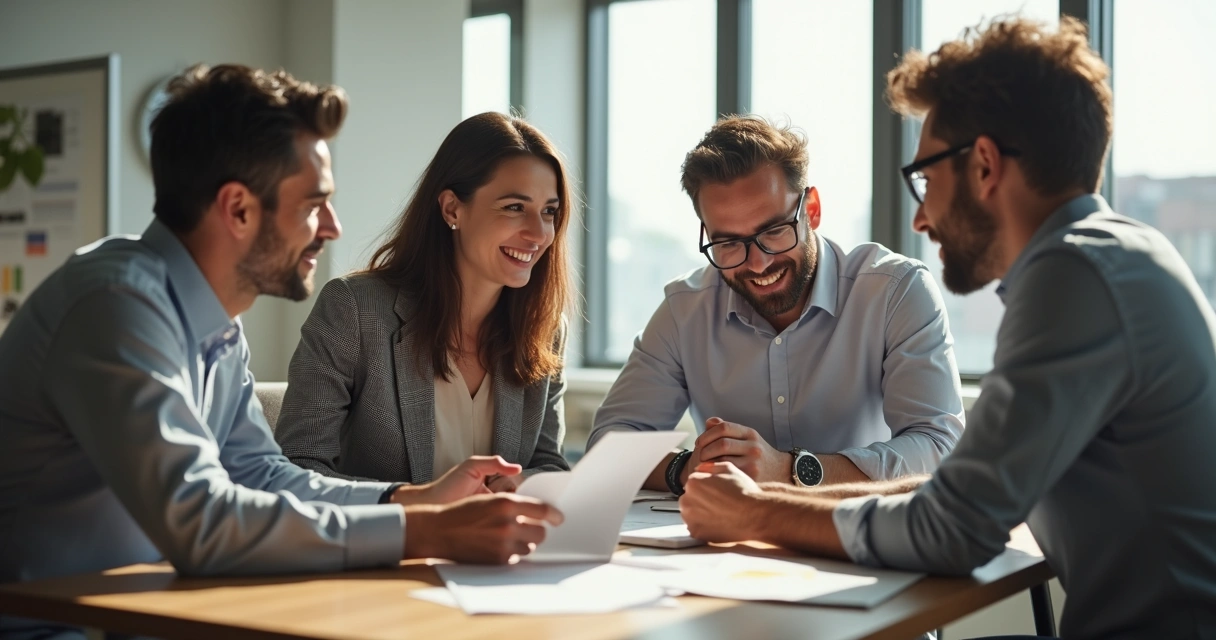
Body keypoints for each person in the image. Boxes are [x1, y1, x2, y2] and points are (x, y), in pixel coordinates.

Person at [678, 16, 1216, 639]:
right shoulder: (1114, 255)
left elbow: (953, 531)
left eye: (927, 179)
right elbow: (953, 493)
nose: (921, 219)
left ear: (984, 166)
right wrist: (766, 502)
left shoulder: (1074, 275)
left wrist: (758, 514)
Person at [0, 64, 560, 639]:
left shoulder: (212, 321)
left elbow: (259, 473)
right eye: (314, 203)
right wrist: (422, 532)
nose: (333, 227)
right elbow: (201, 522)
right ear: (239, 209)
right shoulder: (116, 305)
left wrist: (413, 500)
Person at [588, 115, 965, 495]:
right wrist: (688, 468)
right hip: (723, 545)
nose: (758, 263)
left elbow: (938, 448)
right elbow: (608, 445)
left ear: (812, 210)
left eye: (773, 231)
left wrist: (790, 470)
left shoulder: (896, 290)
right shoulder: (684, 310)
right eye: (729, 243)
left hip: (858, 538)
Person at [274, 112, 573, 490]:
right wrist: (422, 505)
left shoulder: (544, 327)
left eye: (549, 211)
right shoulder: (354, 310)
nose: (539, 233)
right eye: (514, 207)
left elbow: (549, 463)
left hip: (493, 547)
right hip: (387, 547)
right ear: (452, 209)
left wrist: (521, 485)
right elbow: (298, 467)